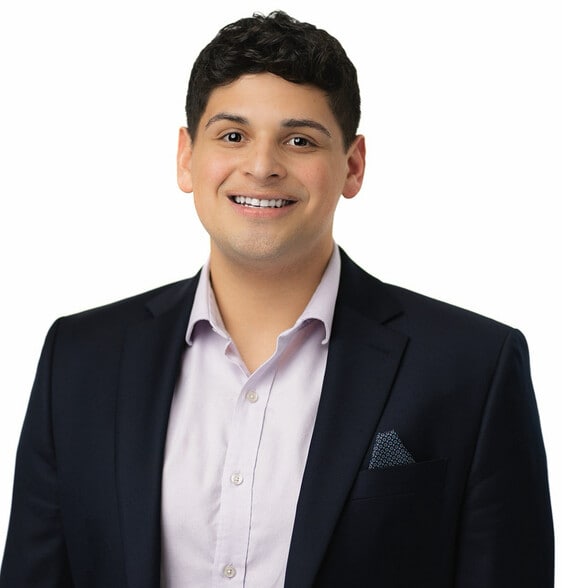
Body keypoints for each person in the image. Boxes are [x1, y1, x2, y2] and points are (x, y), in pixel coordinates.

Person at [0, 10, 554, 588]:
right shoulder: (80, 358)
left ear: (353, 166)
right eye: (232, 136)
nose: (262, 166)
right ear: (187, 157)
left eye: (299, 140)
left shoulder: (472, 367)